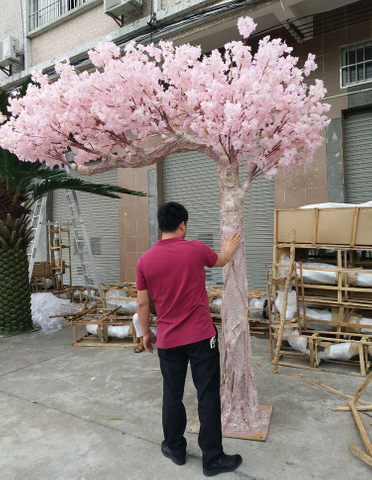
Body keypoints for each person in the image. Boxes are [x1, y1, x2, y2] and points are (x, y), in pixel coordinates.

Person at [136, 201, 243, 477]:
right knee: (207, 396)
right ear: (182, 224)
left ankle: (175, 449)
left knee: (171, 395)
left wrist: (146, 334)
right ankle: (213, 459)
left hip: (168, 340)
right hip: (201, 338)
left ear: (160, 226)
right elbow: (220, 260)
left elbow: (143, 306)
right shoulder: (195, 249)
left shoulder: (144, 260)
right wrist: (230, 248)